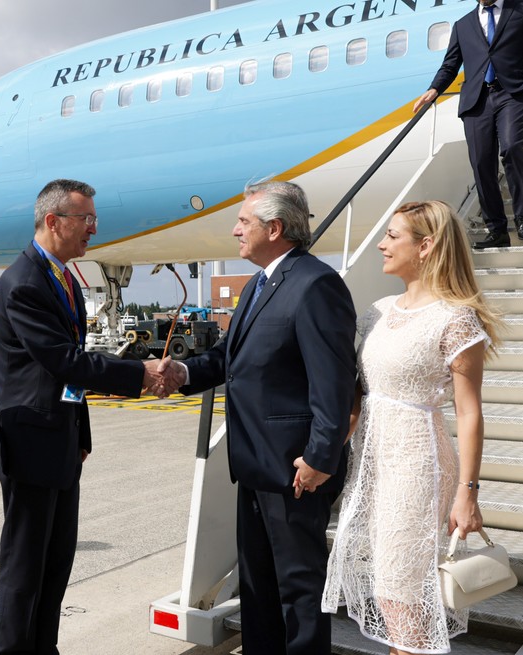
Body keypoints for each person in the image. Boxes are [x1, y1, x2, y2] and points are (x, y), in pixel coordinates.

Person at [156, 180, 357, 653]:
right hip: (254, 467)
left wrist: (320, 457)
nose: (234, 231)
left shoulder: (315, 284)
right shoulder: (260, 284)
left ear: (275, 226)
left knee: (299, 594)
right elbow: (229, 358)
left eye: (243, 222)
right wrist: (181, 371)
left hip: (295, 471)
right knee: (259, 591)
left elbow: (334, 383)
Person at [0, 178, 169, 654]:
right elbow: (63, 361)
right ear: (52, 221)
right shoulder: (23, 282)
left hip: (60, 438)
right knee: (25, 566)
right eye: (85, 219)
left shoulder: (62, 275)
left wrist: (81, 433)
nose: (93, 229)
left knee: (55, 562)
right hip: (29, 440)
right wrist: (140, 373)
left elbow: (67, 370)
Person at [323, 200, 500, 654]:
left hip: (418, 464)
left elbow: (470, 412)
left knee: (398, 591)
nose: (381, 244)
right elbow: (359, 396)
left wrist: (469, 492)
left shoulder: (455, 318)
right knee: (391, 589)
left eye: (392, 236)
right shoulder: (376, 312)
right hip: (373, 464)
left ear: (426, 246)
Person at [413, 0, 523, 250]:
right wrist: (433, 89)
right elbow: (450, 64)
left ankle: (522, 217)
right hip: (477, 101)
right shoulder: (462, 25)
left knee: (512, 147)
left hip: (514, 93)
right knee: (481, 162)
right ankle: (496, 229)